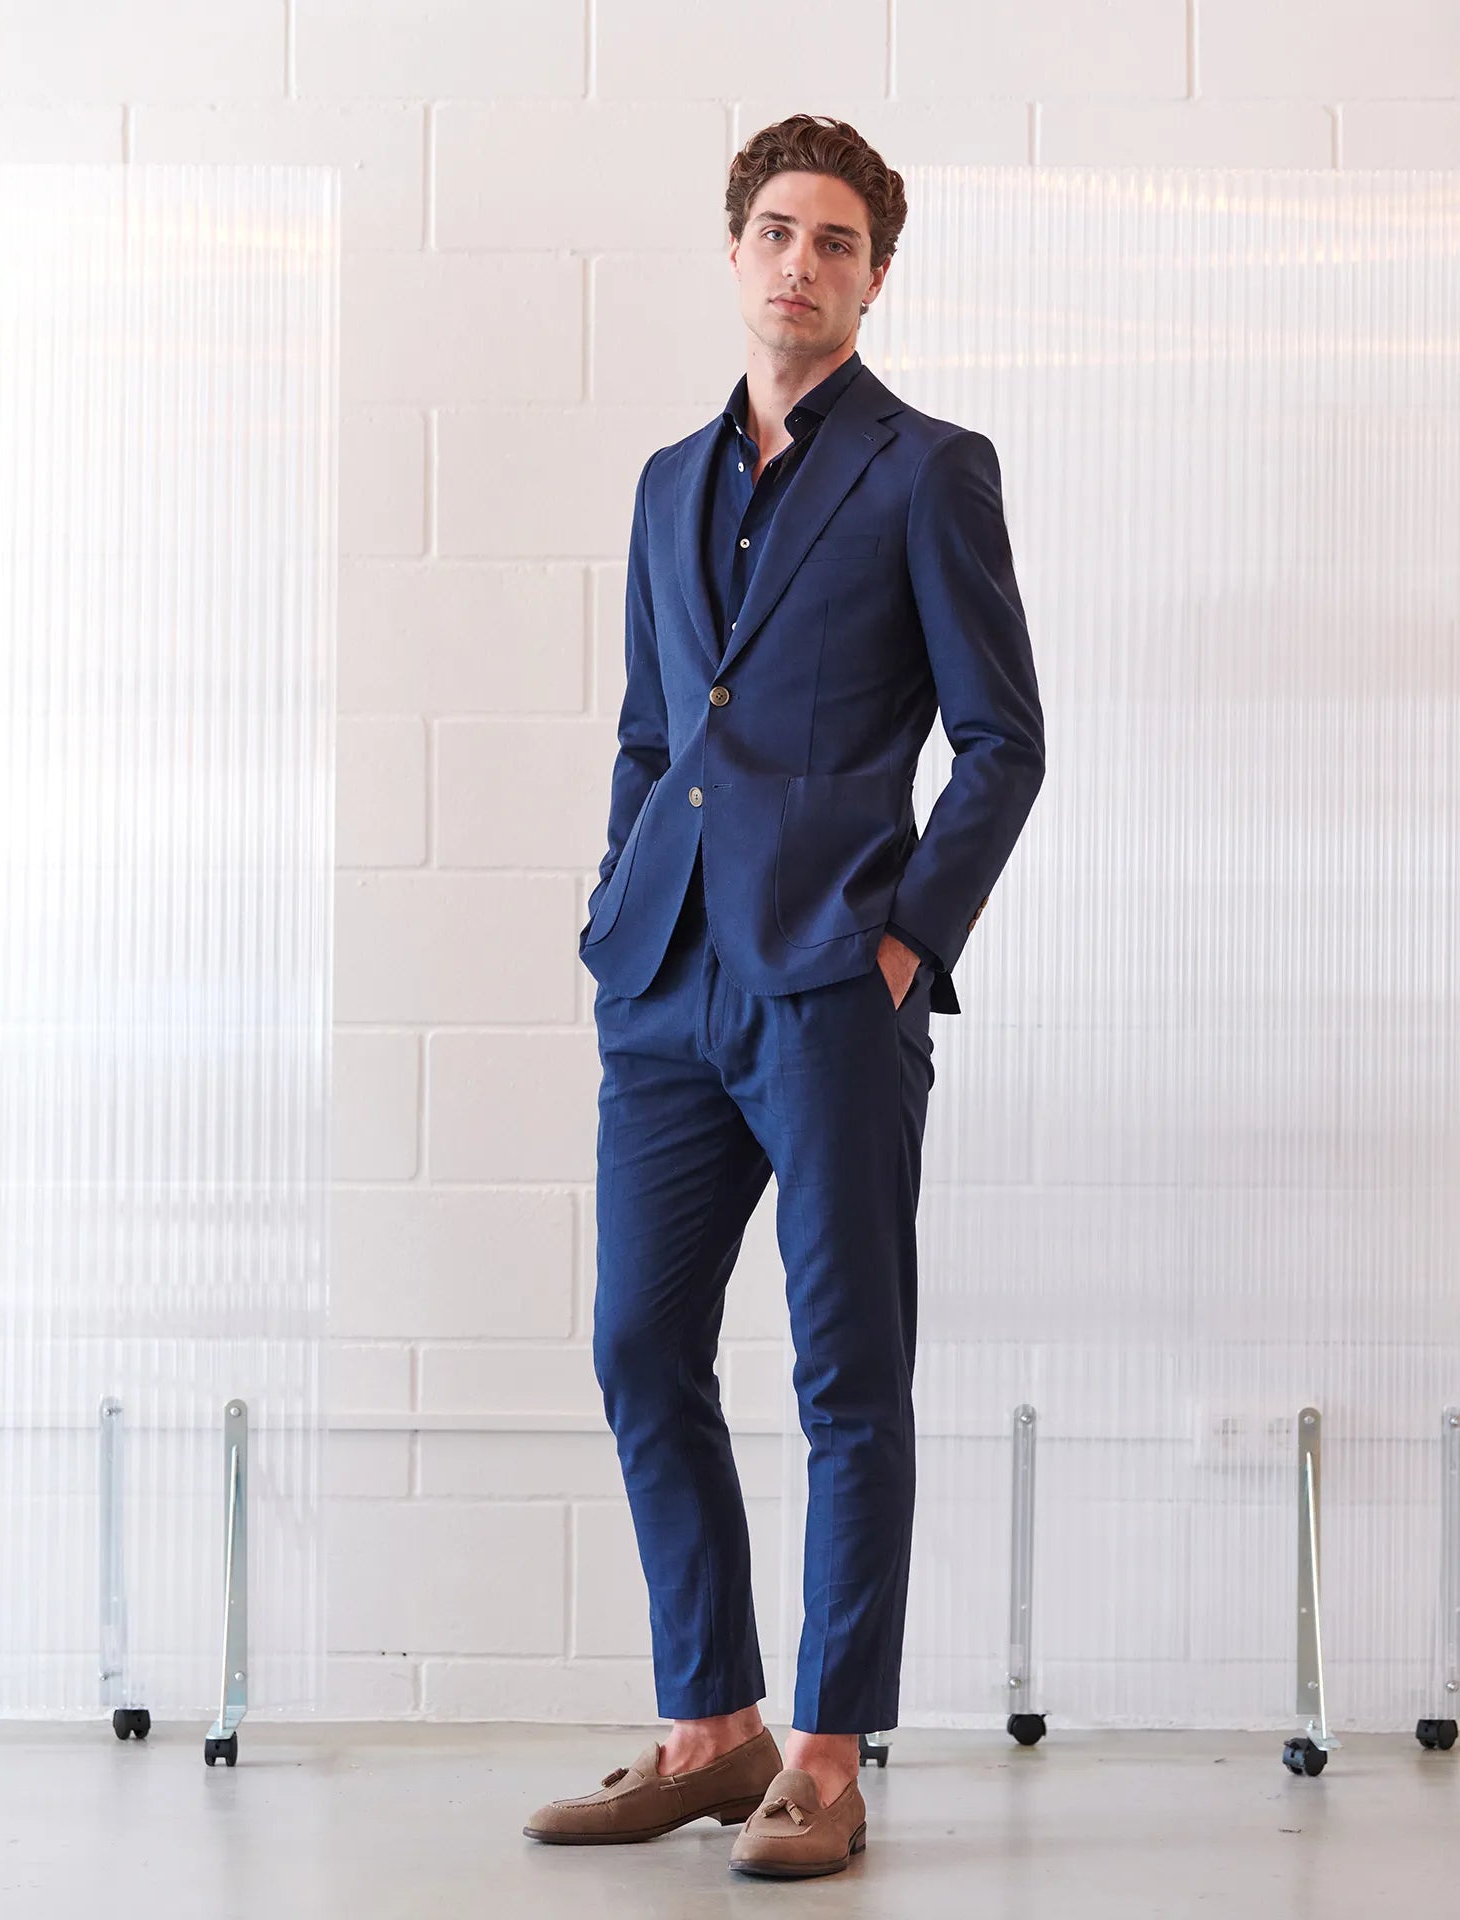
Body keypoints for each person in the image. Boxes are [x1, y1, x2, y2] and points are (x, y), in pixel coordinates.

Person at [523, 113, 1045, 1881]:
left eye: (834, 240)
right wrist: (617, 903)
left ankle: (824, 1753)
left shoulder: (928, 468)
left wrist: (903, 945)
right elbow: (650, 730)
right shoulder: (667, 481)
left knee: (847, 1375)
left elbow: (1003, 742)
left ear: (875, 275)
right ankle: (710, 1727)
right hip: (666, 984)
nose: (798, 263)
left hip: (829, 986)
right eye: (773, 231)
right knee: (636, 1343)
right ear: (733, 252)